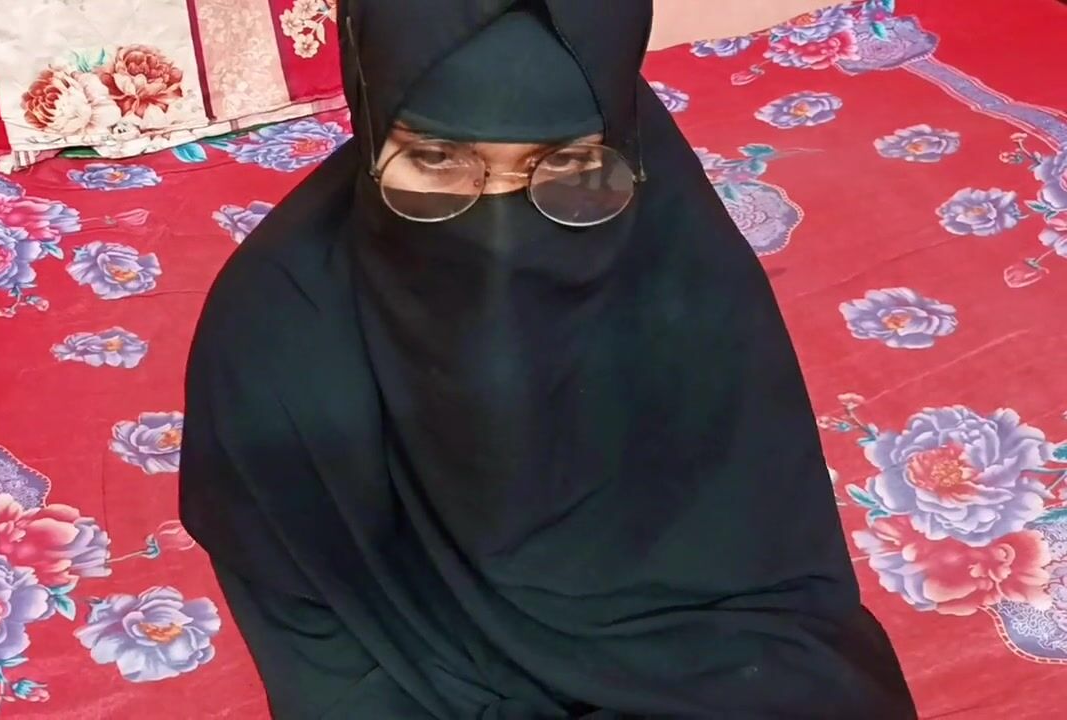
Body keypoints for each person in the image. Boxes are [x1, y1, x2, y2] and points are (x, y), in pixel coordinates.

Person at [179, 1, 917, 717]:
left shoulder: (683, 271)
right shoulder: (271, 335)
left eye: (563, 163)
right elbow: (317, 647)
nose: (500, 237)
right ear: (373, 129)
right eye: (435, 158)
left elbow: (770, 586)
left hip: (690, 658)